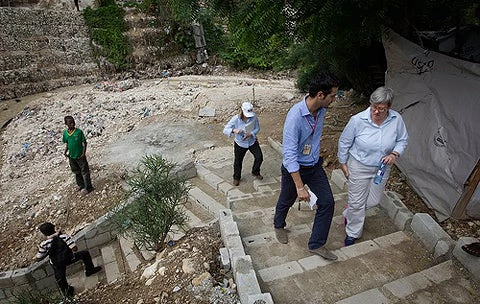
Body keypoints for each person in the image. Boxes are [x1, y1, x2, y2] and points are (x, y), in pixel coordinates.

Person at [273, 72, 339, 260]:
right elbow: (290, 155)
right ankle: (278, 224)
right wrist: (300, 186)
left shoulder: (322, 110)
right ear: (320, 95)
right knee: (287, 199)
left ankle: (316, 244)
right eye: (332, 96)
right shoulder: (295, 117)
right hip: (295, 168)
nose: (334, 99)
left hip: (314, 165)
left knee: (327, 202)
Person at [337, 86, 408, 246]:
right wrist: (343, 163)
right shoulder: (357, 120)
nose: (376, 112)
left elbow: (403, 140)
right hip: (359, 166)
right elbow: (344, 142)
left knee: (374, 201)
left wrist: (394, 154)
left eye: (381, 109)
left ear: (389, 107)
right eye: (374, 107)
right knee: (357, 202)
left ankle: (350, 212)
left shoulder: (396, 119)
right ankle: (352, 233)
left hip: (382, 168)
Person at [35, 222, 102, 297]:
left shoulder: (43, 244)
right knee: (85, 254)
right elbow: (75, 249)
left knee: (60, 278)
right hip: (69, 258)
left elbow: (38, 259)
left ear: (44, 234)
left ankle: (68, 293)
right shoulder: (63, 237)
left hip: (56, 263)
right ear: (54, 229)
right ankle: (90, 270)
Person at [223, 102, 263, 186]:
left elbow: (257, 128)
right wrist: (234, 130)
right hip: (240, 143)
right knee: (238, 161)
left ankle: (255, 171)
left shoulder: (254, 117)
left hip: (252, 141)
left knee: (259, 157)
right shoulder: (235, 119)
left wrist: (251, 134)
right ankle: (236, 177)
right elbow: (225, 129)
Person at [63, 115, 94, 194]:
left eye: (73, 122)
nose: (73, 124)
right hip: (71, 156)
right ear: (66, 124)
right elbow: (67, 143)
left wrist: (83, 153)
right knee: (76, 171)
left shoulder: (79, 132)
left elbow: (84, 142)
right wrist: (65, 152)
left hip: (80, 156)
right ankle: (81, 185)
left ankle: (89, 187)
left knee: (85, 171)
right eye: (70, 123)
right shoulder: (65, 133)